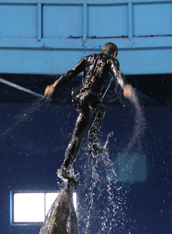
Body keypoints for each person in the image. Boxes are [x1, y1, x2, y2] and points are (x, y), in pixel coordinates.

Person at [44, 42, 134, 183]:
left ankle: (92, 145)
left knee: (100, 110)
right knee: (78, 136)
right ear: (114, 53)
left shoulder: (89, 58)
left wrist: (54, 85)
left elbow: (71, 73)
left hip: (79, 97)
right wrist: (124, 86)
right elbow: (117, 74)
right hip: (90, 99)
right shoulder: (112, 60)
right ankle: (65, 169)